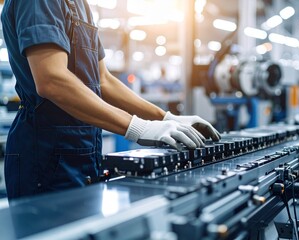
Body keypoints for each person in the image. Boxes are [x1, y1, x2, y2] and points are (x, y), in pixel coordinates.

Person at [1, 0, 220, 200]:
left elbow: (103, 81)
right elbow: (52, 80)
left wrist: (166, 118)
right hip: (44, 154)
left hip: (82, 150)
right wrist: (139, 128)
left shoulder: (80, 4)